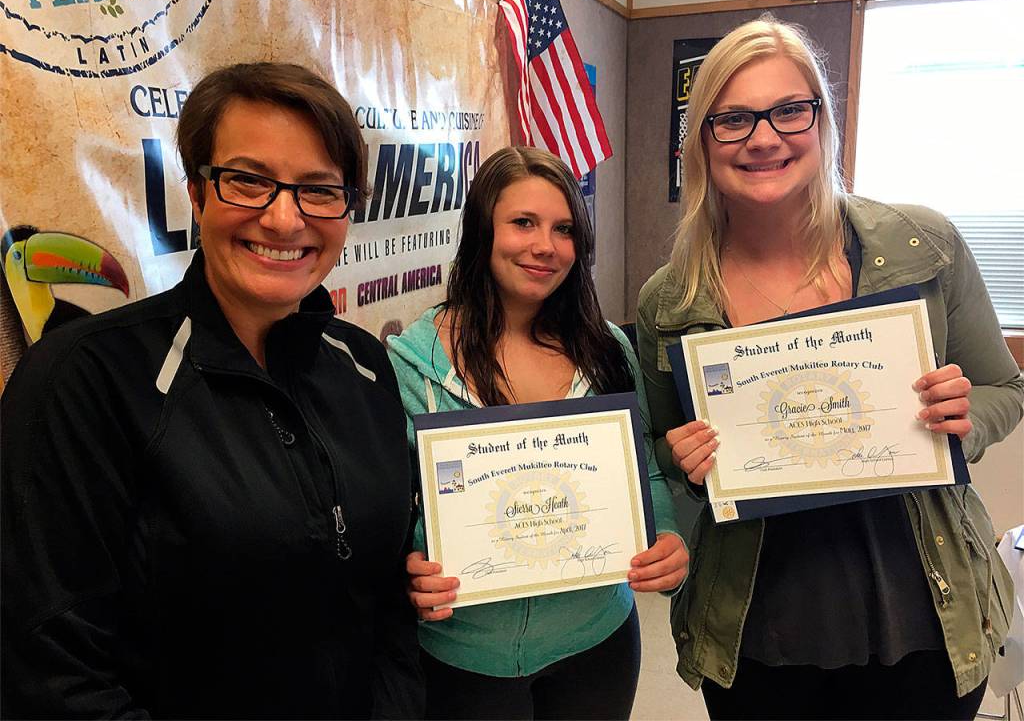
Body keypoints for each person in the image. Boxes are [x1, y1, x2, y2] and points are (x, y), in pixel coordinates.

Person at [1, 63, 423, 719]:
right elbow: (52, 674)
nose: (285, 220)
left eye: (319, 190)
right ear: (197, 194)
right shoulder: (83, 380)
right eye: (249, 181)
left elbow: (388, 604)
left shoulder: (365, 366)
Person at [637, 16, 1023, 720]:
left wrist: (962, 422)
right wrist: (681, 458)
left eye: (789, 110)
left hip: (922, 616)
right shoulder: (670, 300)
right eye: (734, 119)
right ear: (701, 141)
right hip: (757, 628)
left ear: (822, 122)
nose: (764, 136)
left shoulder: (922, 243)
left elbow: (1005, 389)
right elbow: (665, 460)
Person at [387, 146, 688, 720]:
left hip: (597, 642)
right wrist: (409, 565)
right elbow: (393, 507)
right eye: (522, 222)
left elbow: (643, 470)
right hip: (462, 660)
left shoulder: (607, 351)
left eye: (564, 228)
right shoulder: (408, 364)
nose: (545, 246)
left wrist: (668, 537)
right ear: (482, 230)